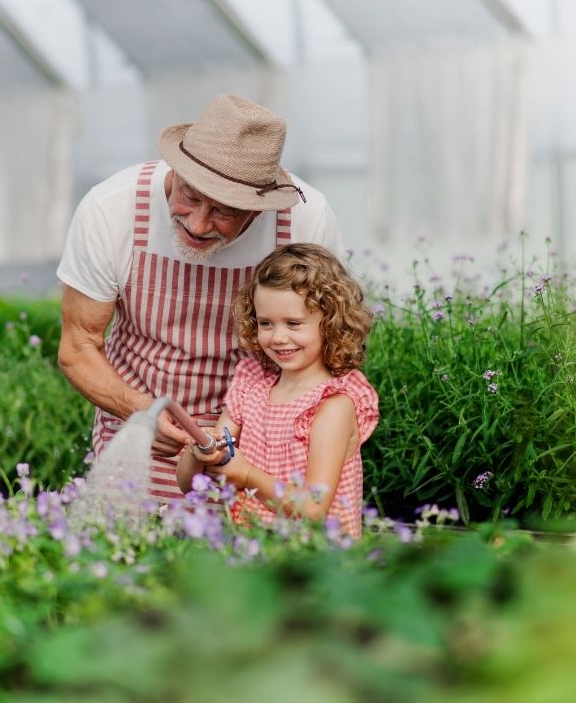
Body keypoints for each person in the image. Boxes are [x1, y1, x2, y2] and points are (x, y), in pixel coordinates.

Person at [58, 93, 346, 503]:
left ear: (259, 207)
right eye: (190, 196)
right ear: (176, 167)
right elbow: (78, 346)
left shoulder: (305, 219)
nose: (197, 223)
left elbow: (331, 347)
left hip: (266, 448)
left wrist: (271, 435)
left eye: (224, 211)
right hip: (146, 438)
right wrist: (140, 410)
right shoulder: (111, 210)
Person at [175, 243, 380, 538]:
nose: (279, 337)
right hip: (257, 559)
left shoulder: (333, 405)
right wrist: (200, 453)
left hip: (318, 566)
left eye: (294, 323)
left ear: (331, 323)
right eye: (266, 323)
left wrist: (247, 476)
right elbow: (188, 484)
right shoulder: (251, 386)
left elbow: (312, 509)